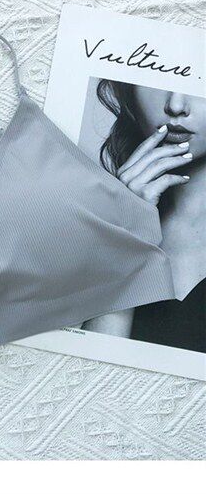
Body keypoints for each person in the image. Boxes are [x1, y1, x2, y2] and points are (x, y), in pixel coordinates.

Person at [82, 81, 206, 353]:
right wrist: (127, 237)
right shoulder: (99, 225)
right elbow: (95, 366)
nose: (175, 106)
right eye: (160, 80)